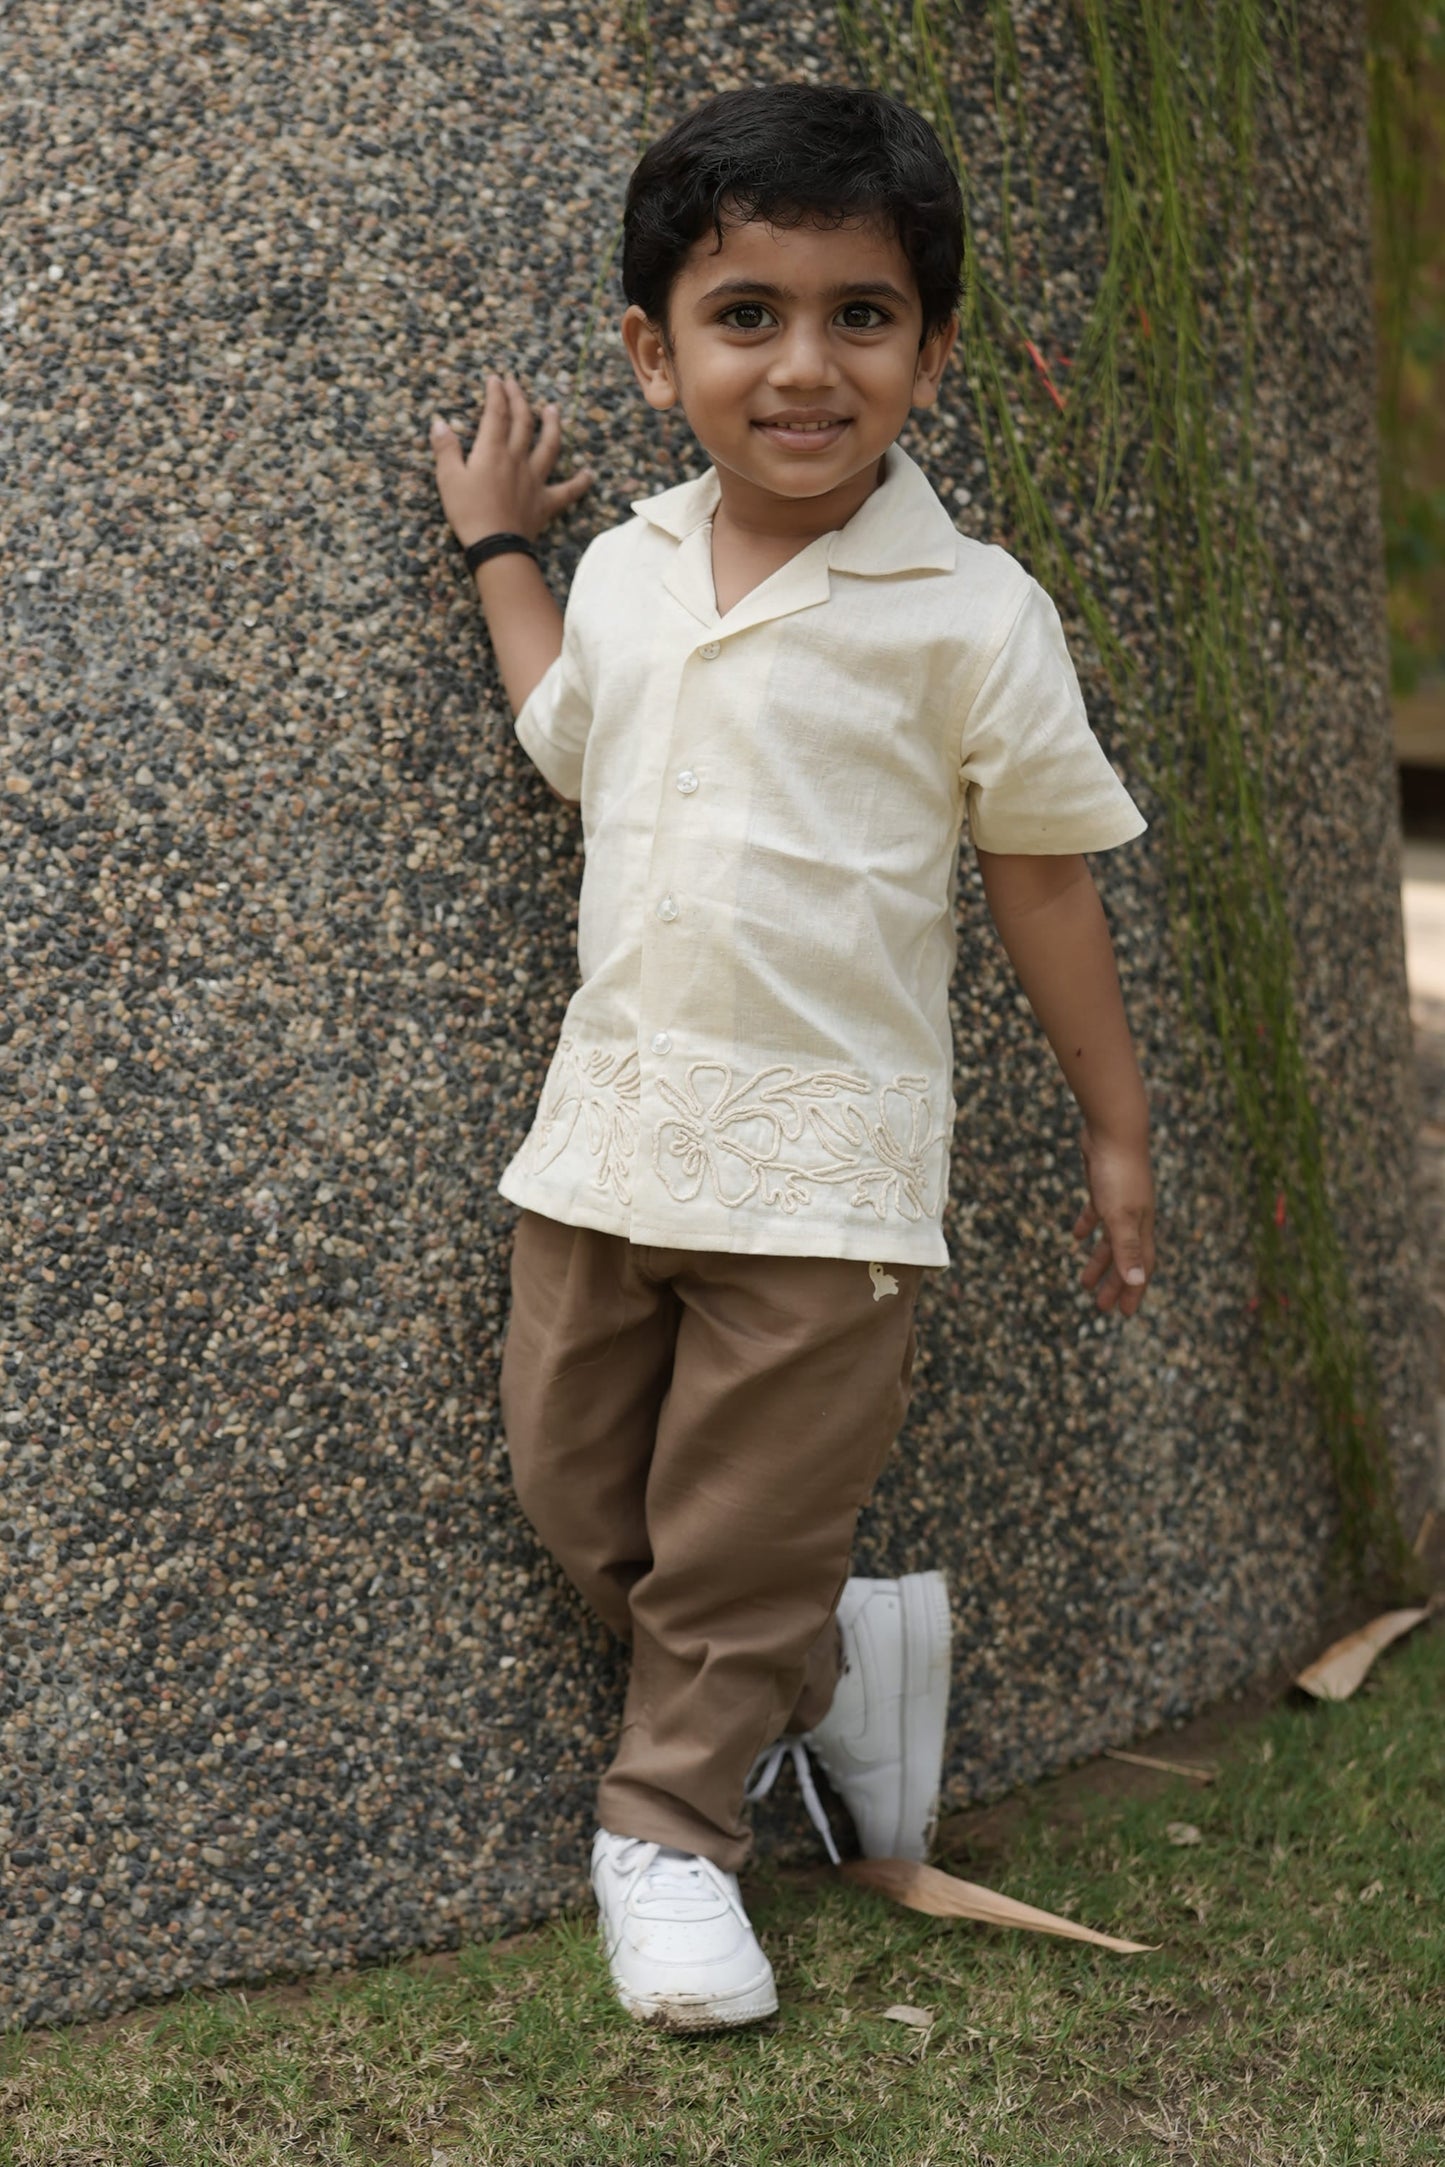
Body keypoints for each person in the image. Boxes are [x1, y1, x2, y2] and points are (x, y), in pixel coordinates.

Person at [429, 81, 1156, 2033]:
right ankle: (825, 1663)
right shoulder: (629, 570)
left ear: (930, 350)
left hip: (829, 1180)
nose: (805, 364)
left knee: (738, 1534)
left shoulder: (972, 615)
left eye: (862, 315)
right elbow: (564, 735)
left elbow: (1044, 882)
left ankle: (669, 1832)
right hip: (603, 1144)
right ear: (653, 354)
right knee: (577, 1491)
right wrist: (501, 547)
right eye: (746, 315)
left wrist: (1112, 1126)